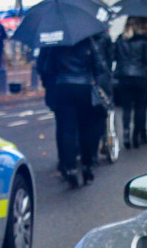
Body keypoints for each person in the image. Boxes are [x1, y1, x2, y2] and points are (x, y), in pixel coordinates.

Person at [37, 33, 111, 188]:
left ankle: (70, 167)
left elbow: (46, 68)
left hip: (62, 87)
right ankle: (87, 165)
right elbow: (100, 67)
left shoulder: (55, 45)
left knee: (67, 130)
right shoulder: (87, 42)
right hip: (84, 86)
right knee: (87, 129)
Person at [113, 17, 147, 147]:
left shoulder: (120, 40)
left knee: (126, 108)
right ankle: (136, 135)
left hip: (124, 77)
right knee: (140, 108)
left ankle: (126, 132)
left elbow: (115, 57)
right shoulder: (143, 41)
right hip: (140, 77)